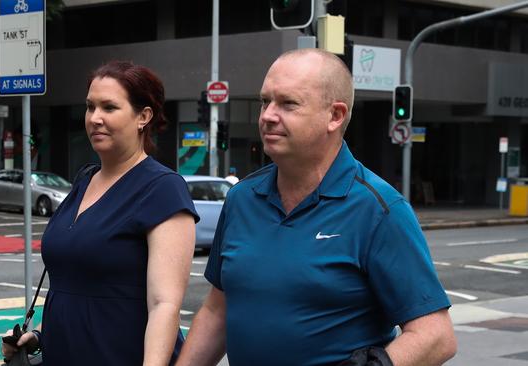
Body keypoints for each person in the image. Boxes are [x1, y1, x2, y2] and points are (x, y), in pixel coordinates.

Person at [177, 49, 456, 366]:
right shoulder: (241, 198)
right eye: (264, 101)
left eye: (288, 104)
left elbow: (436, 335)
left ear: (335, 116)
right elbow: (218, 310)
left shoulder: (379, 208)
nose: (268, 115)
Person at [1, 60, 199, 365]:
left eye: (109, 108)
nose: (95, 118)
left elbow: (164, 305)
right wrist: (39, 333)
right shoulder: (84, 180)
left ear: (143, 116)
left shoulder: (162, 188)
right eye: (90, 107)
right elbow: (76, 287)